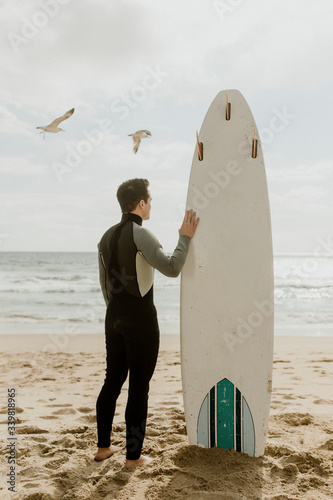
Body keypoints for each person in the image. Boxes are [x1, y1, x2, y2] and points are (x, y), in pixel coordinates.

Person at [95, 178, 199, 467]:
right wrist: (185, 236)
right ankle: (133, 457)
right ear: (140, 203)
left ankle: (103, 448)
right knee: (139, 387)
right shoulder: (141, 234)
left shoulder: (105, 237)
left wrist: (116, 314)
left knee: (112, 381)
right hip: (140, 319)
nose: (150, 205)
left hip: (112, 317)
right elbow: (172, 268)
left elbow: (104, 284)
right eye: (149, 200)